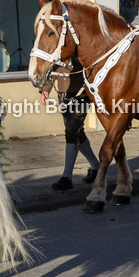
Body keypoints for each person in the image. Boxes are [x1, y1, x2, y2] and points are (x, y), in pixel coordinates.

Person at [51, 59, 100, 191]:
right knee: (77, 131)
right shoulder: (59, 46)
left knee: (72, 131)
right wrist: (45, 90)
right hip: (63, 93)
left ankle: (66, 177)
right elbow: (52, 68)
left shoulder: (78, 42)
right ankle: (96, 167)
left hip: (82, 92)